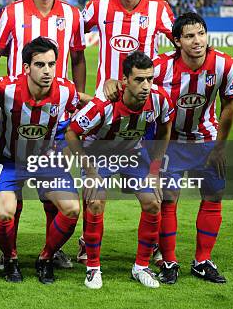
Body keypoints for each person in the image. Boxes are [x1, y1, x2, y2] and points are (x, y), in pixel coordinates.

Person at [0, 0, 86, 270]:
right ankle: (9, 252)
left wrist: (73, 111)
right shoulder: (12, 13)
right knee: (11, 188)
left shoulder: (71, 14)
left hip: (55, 112)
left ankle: (51, 251)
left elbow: (78, 58)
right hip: (16, 111)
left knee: (52, 191)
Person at [66, 51, 174, 289]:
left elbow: (165, 129)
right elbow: (71, 132)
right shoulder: (103, 104)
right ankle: (93, 268)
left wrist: (154, 171)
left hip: (132, 155)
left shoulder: (160, 100)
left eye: (149, 79)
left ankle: (141, 267)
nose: (146, 85)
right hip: (98, 155)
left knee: (154, 202)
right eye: (139, 80)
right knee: (95, 201)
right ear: (125, 80)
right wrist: (90, 171)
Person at [151, 13, 233, 284]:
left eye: (201, 33)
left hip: (206, 140)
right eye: (189, 36)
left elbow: (230, 104)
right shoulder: (160, 68)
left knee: (213, 197)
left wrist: (220, 147)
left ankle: (202, 260)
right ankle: (169, 261)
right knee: (168, 201)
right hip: (171, 143)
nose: (197, 41)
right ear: (177, 41)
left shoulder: (224, 64)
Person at [0, 37, 84, 284]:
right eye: (40, 64)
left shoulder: (66, 90)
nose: (47, 71)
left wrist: (112, 91)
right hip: (10, 160)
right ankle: (10, 259)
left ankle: (46, 258)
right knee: (4, 212)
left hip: (46, 162)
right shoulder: (6, 89)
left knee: (72, 208)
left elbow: (81, 106)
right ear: (26, 67)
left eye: (51, 64)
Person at [82, 0, 175, 96]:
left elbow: (181, 43)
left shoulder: (159, 8)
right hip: (107, 95)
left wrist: (159, 65)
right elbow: (71, 34)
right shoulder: (97, 6)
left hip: (145, 96)